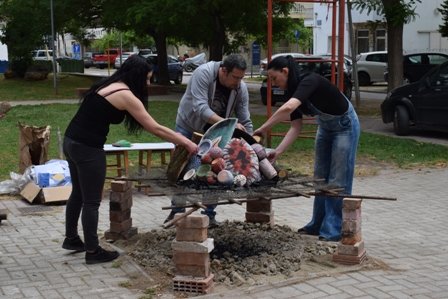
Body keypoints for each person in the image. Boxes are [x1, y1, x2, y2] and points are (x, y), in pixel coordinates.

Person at [62, 55, 198, 264]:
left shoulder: (109, 84)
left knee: (78, 194)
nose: (148, 83)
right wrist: (186, 142)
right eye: (147, 79)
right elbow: (154, 127)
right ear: (137, 76)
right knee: (91, 201)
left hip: (71, 142)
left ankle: (72, 239)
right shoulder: (125, 95)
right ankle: (92, 251)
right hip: (88, 148)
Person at [253, 56, 360, 242]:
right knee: (320, 177)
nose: (273, 83)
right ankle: (317, 224)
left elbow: (288, 108)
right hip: (326, 128)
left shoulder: (309, 80)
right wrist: (277, 152)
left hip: (345, 126)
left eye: (273, 78)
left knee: (337, 178)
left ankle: (333, 229)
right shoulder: (292, 92)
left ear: (285, 71)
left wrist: (263, 129)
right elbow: (295, 126)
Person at [164, 53, 253, 226]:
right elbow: (200, 108)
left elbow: (245, 118)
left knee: (216, 170)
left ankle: (209, 214)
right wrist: (228, 123)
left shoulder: (240, 87)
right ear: (223, 71)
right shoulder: (203, 73)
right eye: (235, 77)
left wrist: (251, 144)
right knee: (182, 170)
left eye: (241, 78)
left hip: (216, 131)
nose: (238, 82)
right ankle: (176, 213)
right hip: (188, 125)